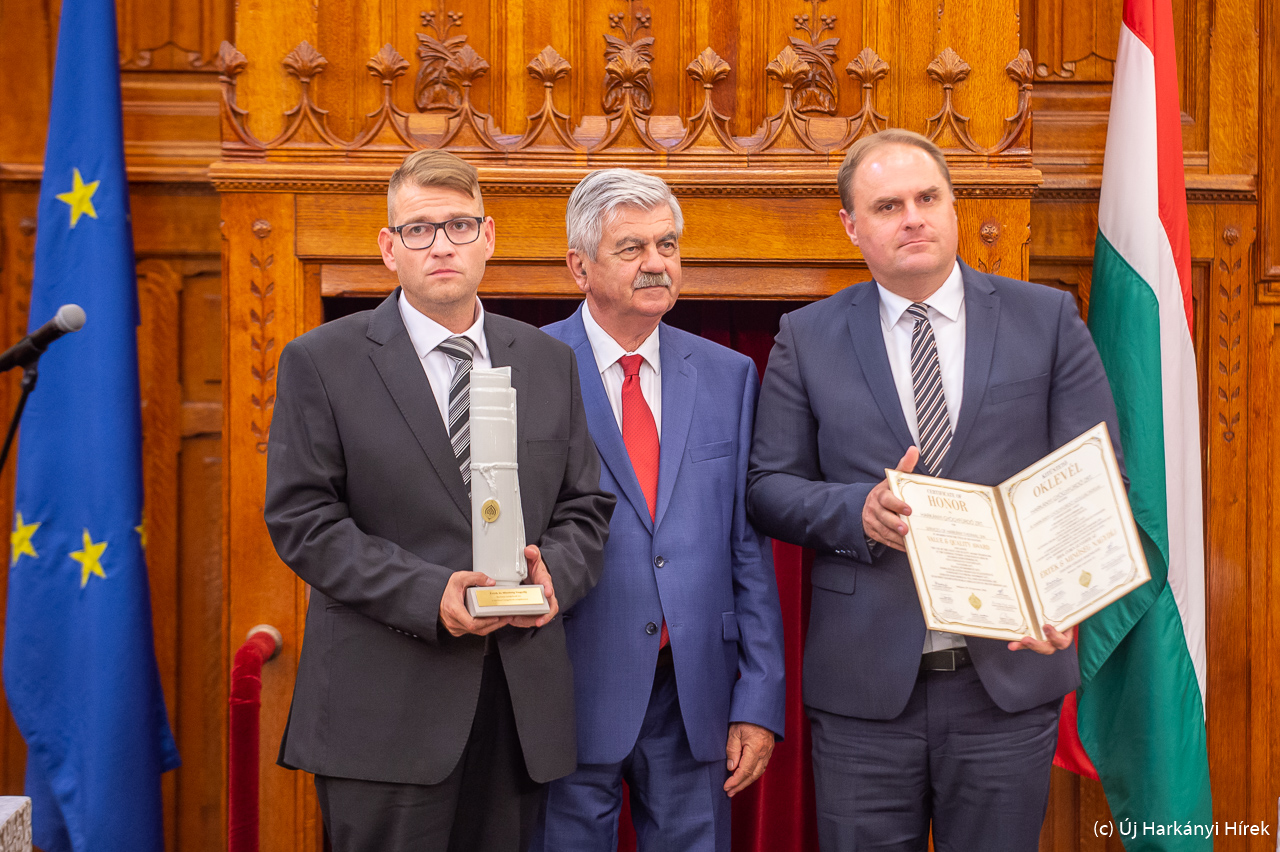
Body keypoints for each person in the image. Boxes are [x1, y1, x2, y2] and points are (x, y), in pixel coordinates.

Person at [745, 129, 1122, 852]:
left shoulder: (1045, 319)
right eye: (888, 205)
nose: (913, 217)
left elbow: (1097, 479)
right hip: (863, 692)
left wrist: (1067, 594)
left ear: (953, 208)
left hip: (1005, 684)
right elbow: (768, 489)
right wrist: (854, 510)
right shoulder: (809, 336)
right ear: (852, 227)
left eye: (928, 198)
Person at [263, 150, 616, 852]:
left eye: (458, 226)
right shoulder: (323, 361)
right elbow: (303, 521)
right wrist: (430, 594)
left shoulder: (547, 360)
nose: (441, 246)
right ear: (389, 249)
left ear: (488, 237)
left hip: (518, 709)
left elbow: (585, 507)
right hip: (385, 716)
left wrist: (556, 577)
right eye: (420, 230)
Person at [535, 168, 786, 852]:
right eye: (632, 248)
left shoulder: (728, 375)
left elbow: (747, 547)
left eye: (668, 245)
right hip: (566, 691)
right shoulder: (528, 368)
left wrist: (758, 699)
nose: (656, 263)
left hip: (695, 695)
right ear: (578, 266)